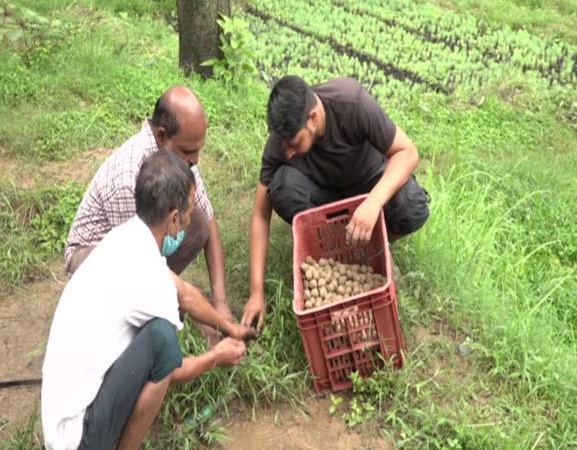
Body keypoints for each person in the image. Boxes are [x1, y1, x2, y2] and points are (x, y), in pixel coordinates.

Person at [42, 151, 248, 450]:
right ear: (174, 219)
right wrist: (215, 357)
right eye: (189, 213)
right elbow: (171, 369)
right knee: (163, 341)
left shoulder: (123, 239)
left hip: (61, 419)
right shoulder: (149, 276)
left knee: (155, 338)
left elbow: (185, 293)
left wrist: (231, 328)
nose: (191, 220)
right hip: (79, 439)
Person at [241, 76, 430, 331]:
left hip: (368, 184)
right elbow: (260, 217)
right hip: (323, 194)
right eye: (283, 144)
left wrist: (373, 202)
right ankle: (331, 251)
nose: (287, 152)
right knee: (282, 187)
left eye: (293, 143)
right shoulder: (281, 141)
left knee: (412, 204)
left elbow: (407, 153)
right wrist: (256, 292)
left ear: (313, 118)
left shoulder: (351, 102)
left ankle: (375, 244)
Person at [65, 86, 240, 341]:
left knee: (198, 222)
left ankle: (165, 301)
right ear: (161, 135)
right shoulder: (128, 177)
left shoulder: (178, 157)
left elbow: (209, 222)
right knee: (152, 321)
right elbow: (136, 262)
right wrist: (189, 304)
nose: (196, 160)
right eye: (190, 151)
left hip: (138, 249)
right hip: (92, 254)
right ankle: (140, 321)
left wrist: (220, 302)